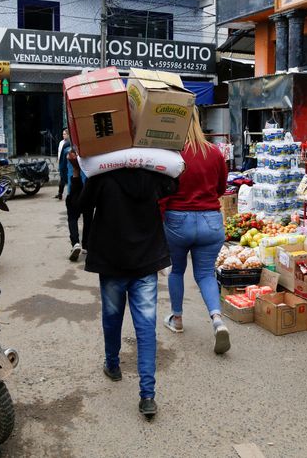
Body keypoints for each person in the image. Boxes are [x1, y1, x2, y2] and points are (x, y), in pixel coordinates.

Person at [79, 167, 178, 419]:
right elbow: (174, 185)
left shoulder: (102, 172)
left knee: (112, 319)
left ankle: (112, 365)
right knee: (146, 328)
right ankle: (147, 396)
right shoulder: (153, 170)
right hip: (146, 259)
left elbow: (81, 204)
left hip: (111, 260)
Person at [159, 110, 230, 354]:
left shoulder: (171, 154)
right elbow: (222, 187)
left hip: (178, 220)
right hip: (211, 221)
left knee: (176, 270)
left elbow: (163, 194)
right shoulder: (214, 152)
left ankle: (177, 319)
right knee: (206, 274)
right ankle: (217, 319)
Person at [64, 146, 90, 262]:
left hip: (74, 186)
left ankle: (75, 243)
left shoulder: (68, 151)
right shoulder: (91, 150)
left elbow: (62, 167)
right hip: (89, 187)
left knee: (72, 217)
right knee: (88, 217)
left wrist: (64, 181)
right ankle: (86, 245)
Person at [56, 128, 70, 200]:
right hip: (62, 162)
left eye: (64, 134)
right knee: (62, 177)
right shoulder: (61, 142)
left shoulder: (70, 143)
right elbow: (59, 152)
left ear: (68, 135)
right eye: (63, 134)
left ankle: (67, 193)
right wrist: (58, 159)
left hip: (68, 163)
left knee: (66, 178)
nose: (63, 135)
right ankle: (60, 193)